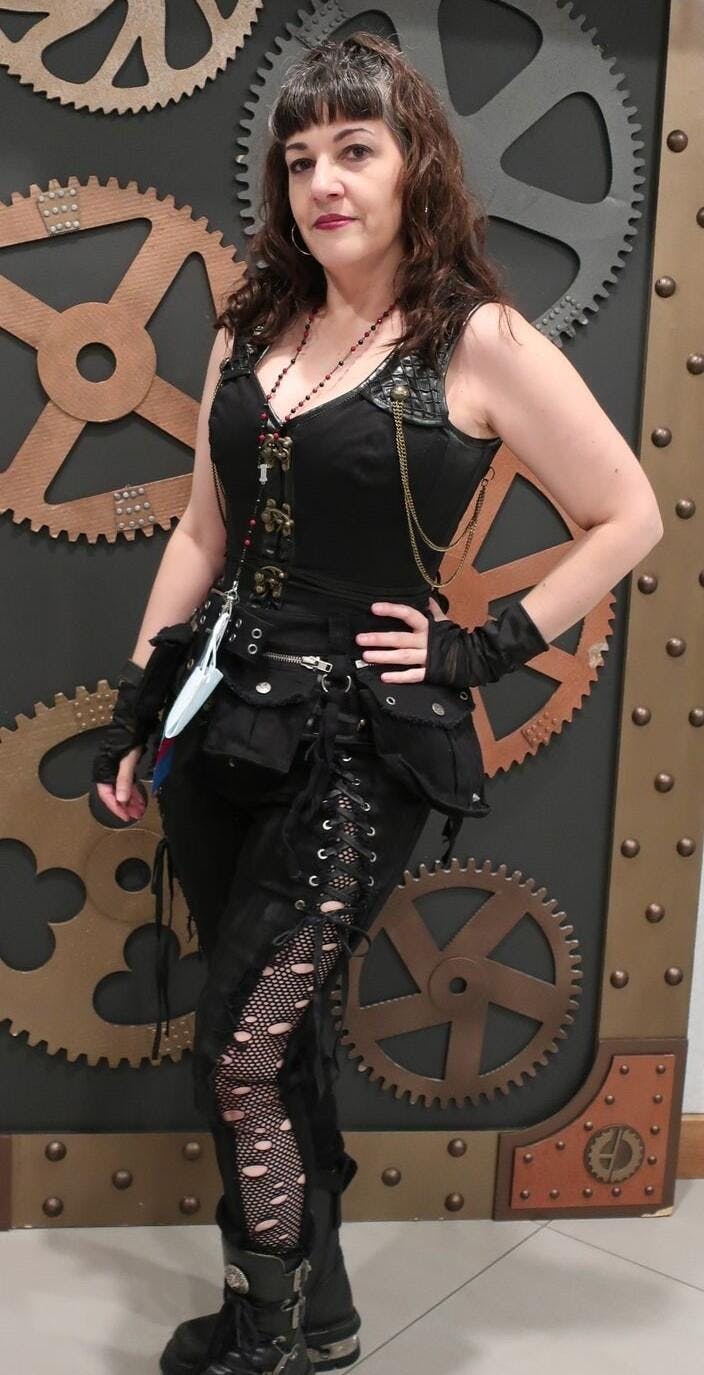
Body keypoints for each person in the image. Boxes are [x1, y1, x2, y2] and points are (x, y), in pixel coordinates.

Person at [91, 31, 663, 1375]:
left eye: (355, 150)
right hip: (221, 726)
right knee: (276, 1044)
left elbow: (629, 514)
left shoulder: (480, 339)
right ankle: (323, 1310)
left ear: (418, 166)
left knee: (239, 1050)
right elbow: (202, 531)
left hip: (356, 750)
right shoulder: (250, 326)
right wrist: (142, 706)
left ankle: (269, 1333)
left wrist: (481, 647)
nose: (324, 184)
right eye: (300, 160)